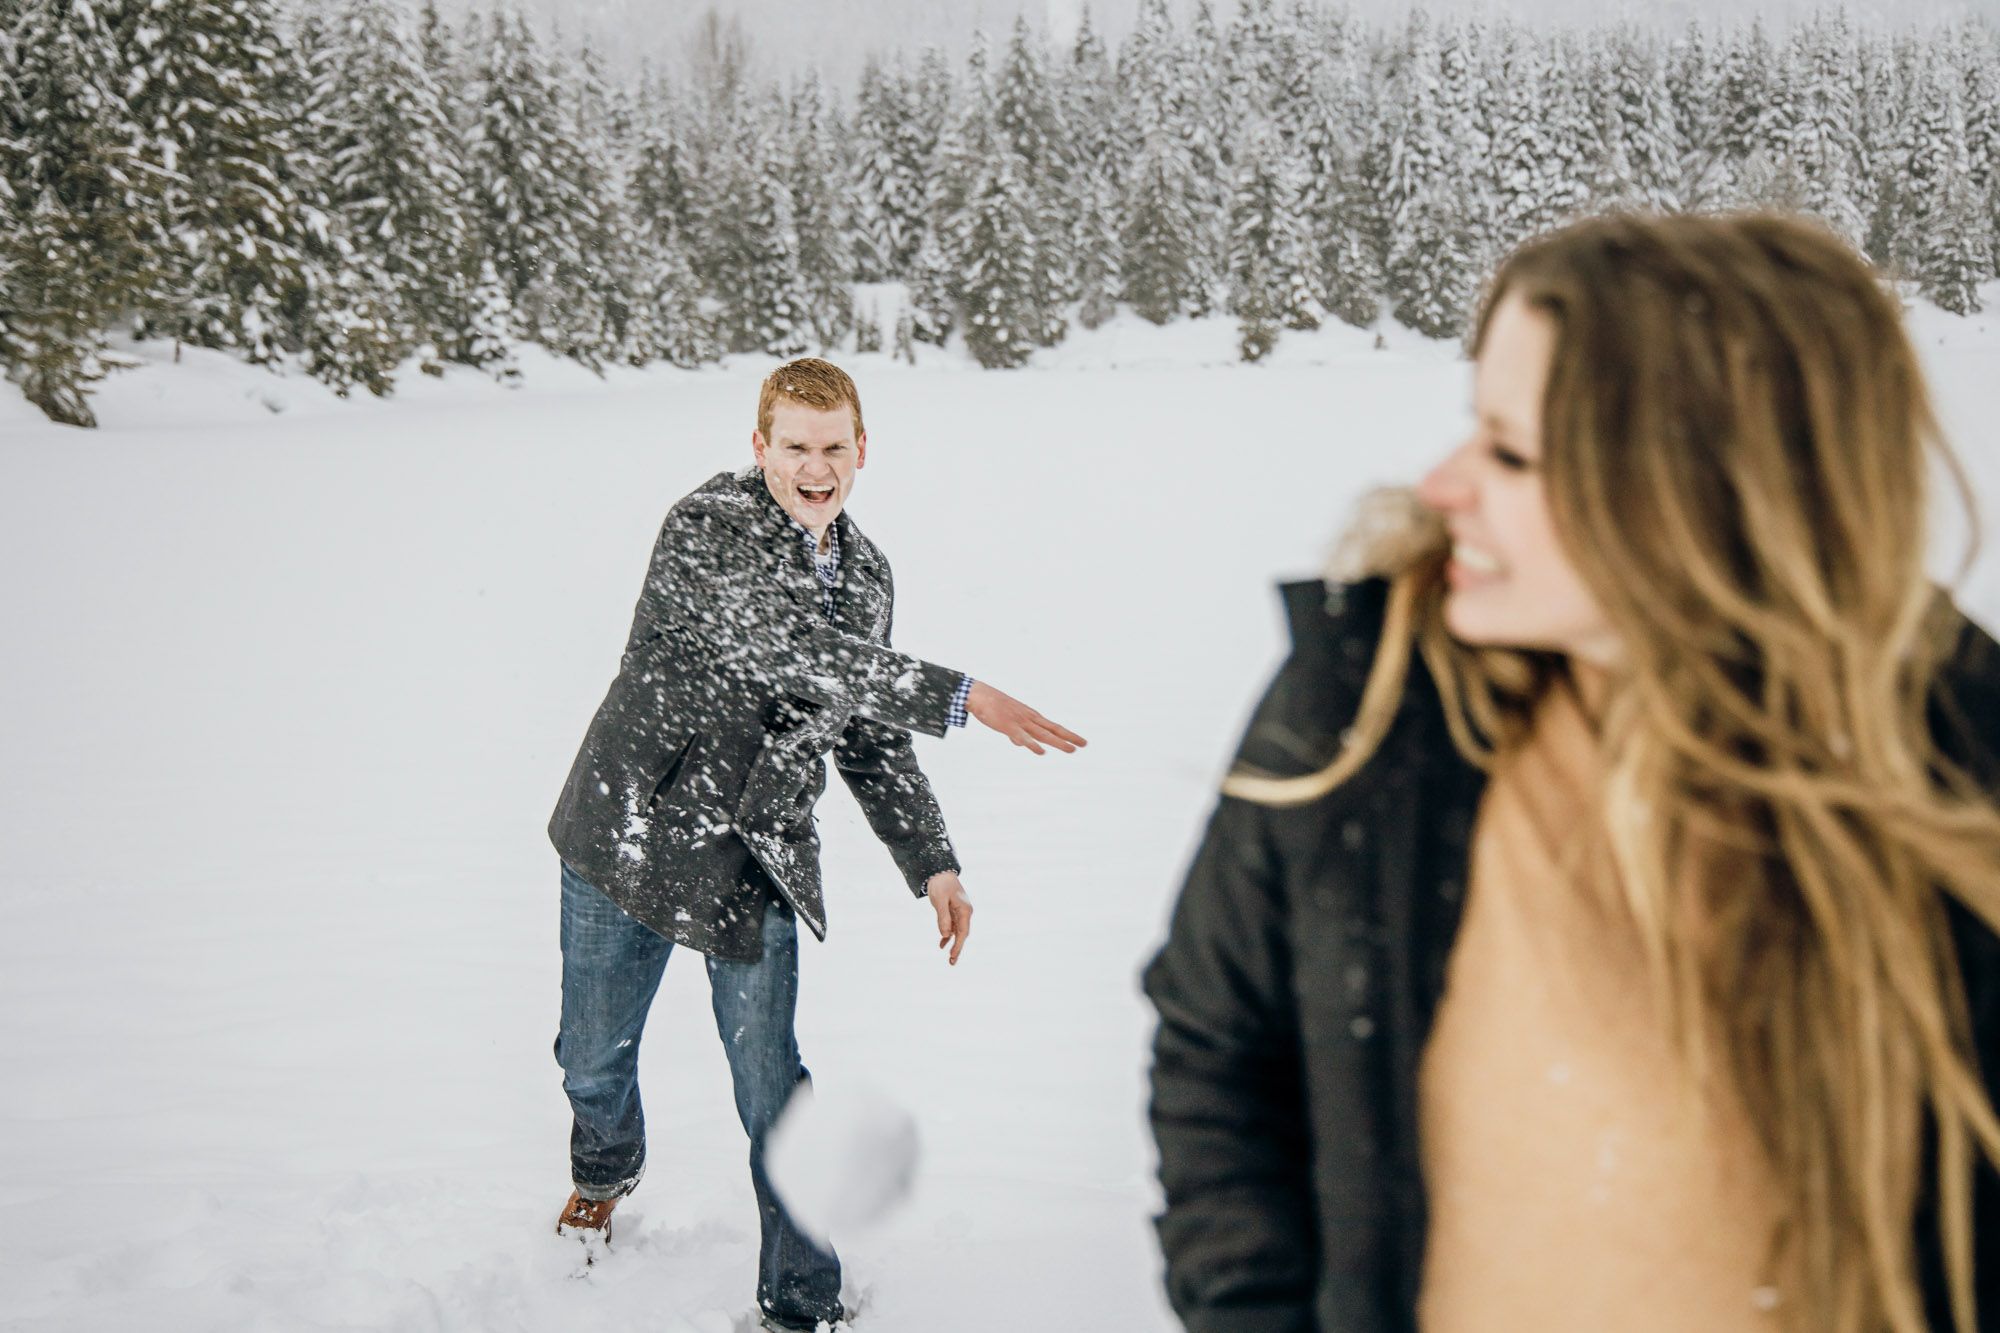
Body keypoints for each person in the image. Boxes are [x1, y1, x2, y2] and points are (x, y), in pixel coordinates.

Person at [1144, 212, 2000, 1333]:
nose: (1442, 485)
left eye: (1509, 453)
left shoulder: (1955, 763)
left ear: (1703, 494)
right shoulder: (1365, 706)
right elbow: (1217, 1048)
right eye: (1471, 429)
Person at [548, 357, 1085, 1332]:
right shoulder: (705, 528)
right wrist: (962, 696)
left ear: (861, 451)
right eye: (793, 446)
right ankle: (605, 1165)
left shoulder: (867, 574)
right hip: (631, 827)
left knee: (773, 1090)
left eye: (832, 446)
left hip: (753, 853)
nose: (813, 466)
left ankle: (802, 1304)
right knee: (589, 1056)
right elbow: (782, 642)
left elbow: (865, 730)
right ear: (760, 450)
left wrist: (933, 860)